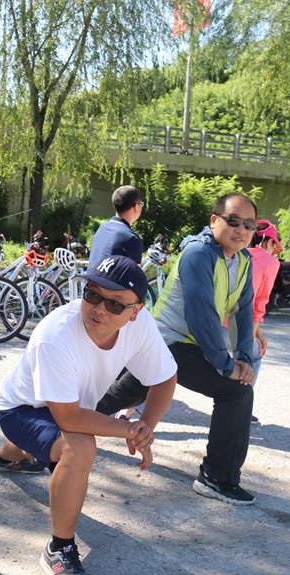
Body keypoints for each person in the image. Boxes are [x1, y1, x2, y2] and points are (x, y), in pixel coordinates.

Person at [0, 256, 177, 575]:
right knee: (80, 445)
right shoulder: (55, 335)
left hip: (68, 405)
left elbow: (164, 377)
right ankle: (59, 549)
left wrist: (147, 425)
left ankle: (3, 457)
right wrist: (130, 429)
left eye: (115, 304)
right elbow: (70, 420)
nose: (99, 308)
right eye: (92, 294)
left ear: (135, 311)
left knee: (57, 440)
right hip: (21, 409)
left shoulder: (141, 325)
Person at [98, 192, 259, 506]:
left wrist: (245, 358)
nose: (241, 230)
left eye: (249, 225)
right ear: (214, 221)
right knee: (235, 392)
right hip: (165, 342)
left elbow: (243, 312)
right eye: (233, 221)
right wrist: (226, 366)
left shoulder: (243, 261)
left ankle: (50, 427)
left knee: (114, 397)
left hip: (182, 347)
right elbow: (202, 316)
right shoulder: (198, 254)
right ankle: (216, 478)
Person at [242, 219, 282, 424]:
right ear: (268, 241)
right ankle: (241, 407)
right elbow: (259, 301)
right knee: (254, 355)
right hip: (236, 324)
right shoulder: (270, 261)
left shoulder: (239, 252)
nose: (274, 250)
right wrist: (252, 336)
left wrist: (259, 334)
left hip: (216, 319)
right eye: (274, 245)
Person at [88, 185, 145, 263]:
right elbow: (135, 270)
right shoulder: (132, 239)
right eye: (141, 204)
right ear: (135, 207)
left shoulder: (103, 228)